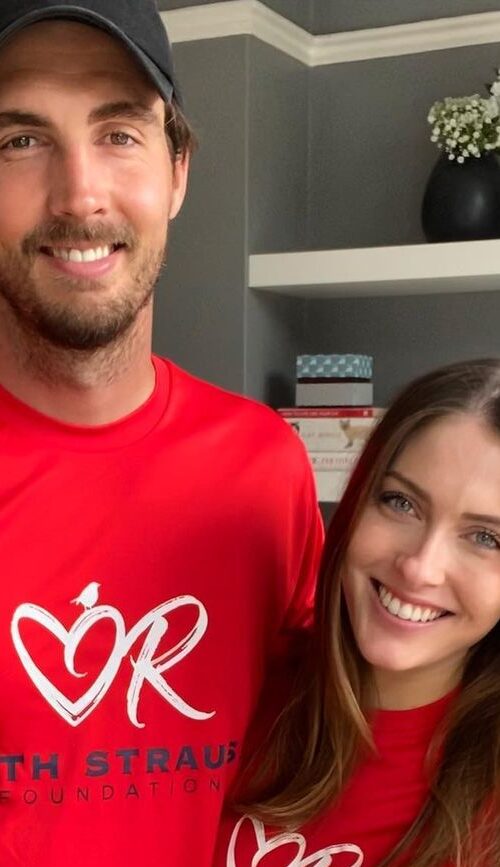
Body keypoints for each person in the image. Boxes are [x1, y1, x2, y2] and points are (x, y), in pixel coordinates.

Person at [0, 2, 323, 866]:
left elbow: (335, 748)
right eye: (20, 140)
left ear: (178, 172)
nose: (79, 195)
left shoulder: (267, 468)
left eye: (120, 134)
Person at [216, 357, 500, 867]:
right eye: (401, 503)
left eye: (485, 537)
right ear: (355, 504)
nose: (420, 568)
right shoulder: (239, 693)